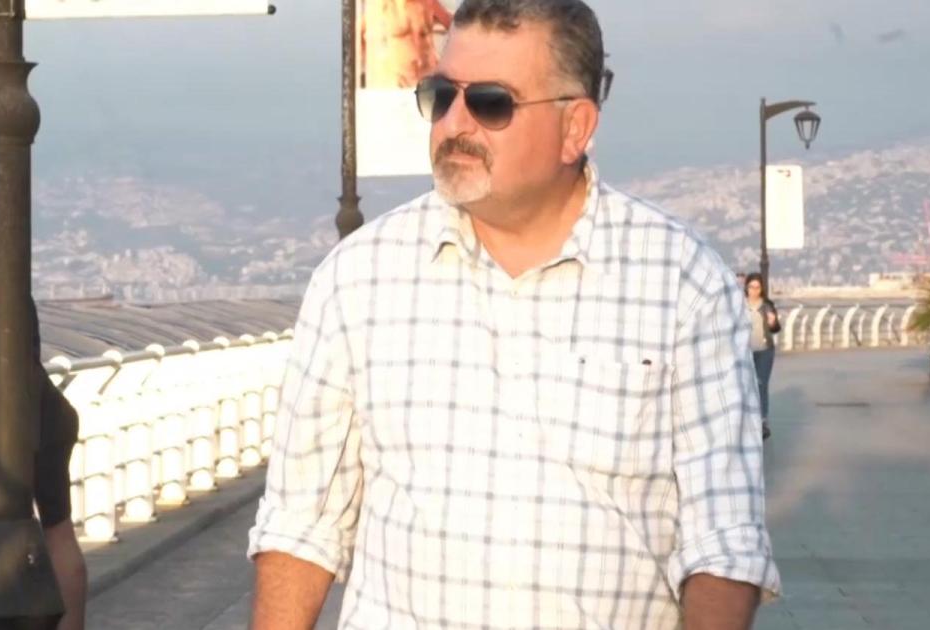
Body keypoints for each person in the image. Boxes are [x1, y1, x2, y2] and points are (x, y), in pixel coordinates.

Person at [249, 2, 779, 628]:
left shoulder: (682, 283)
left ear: (575, 127)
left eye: (490, 102)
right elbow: (302, 524)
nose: (454, 123)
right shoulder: (357, 277)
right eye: (440, 95)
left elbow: (723, 541)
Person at [0, 213, 88, 630]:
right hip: (49, 412)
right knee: (59, 528)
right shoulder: (12, 286)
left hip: (29, 422)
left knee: (50, 531)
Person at [744, 272, 781, 440]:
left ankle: (762, 421)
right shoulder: (740, 305)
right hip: (745, 352)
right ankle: (747, 421)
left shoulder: (767, 305)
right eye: (751, 287)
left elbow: (776, 328)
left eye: (757, 287)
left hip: (765, 351)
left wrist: (773, 322)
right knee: (745, 386)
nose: (754, 290)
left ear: (761, 288)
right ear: (746, 287)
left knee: (761, 384)